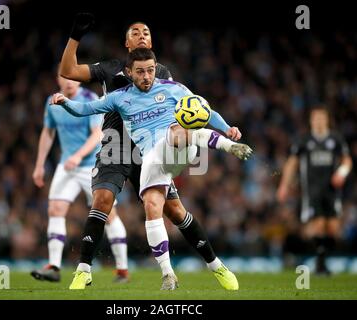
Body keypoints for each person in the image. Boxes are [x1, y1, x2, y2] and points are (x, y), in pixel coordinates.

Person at [52, 48, 253, 290]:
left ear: (155, 68)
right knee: (153, 207)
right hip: (152, 161)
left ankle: (230, 146)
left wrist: (227, 127)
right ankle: (170, 274)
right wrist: (66, 103)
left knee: (178, 131)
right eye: (140, 72)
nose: (146, 76)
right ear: (129, 72)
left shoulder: (172, 88)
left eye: (150, 70)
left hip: (178, 147)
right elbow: (88, 109)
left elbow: (203, 110)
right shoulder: (120, 97)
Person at [30, 73, 128, 282]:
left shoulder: (89, 99)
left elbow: (97, 134)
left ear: (78, 79)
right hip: (67, 165)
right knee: (55, 209)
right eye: (63, 77)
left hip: (91, 165)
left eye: (71, 76)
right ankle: (54, 266)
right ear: (58, 80)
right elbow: (48, 133)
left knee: (109, 215)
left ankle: (122, 270)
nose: (68, 81)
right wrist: (39, 165)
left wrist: (78, 156)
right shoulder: (52, 102)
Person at [277, 105, 352, 275]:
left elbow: (347, 161)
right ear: (311, 121)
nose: (318, 121)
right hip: (312, 191)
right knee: (318, 224)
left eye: (321, 118)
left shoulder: (336, 139)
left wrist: (342, 172)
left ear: (326, 120)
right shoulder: (304, 140)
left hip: (332, 190)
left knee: (333, 229)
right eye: (315, 118)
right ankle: (321, 265)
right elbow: (292, 163)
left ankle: (321, 257)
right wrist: (284, 185)